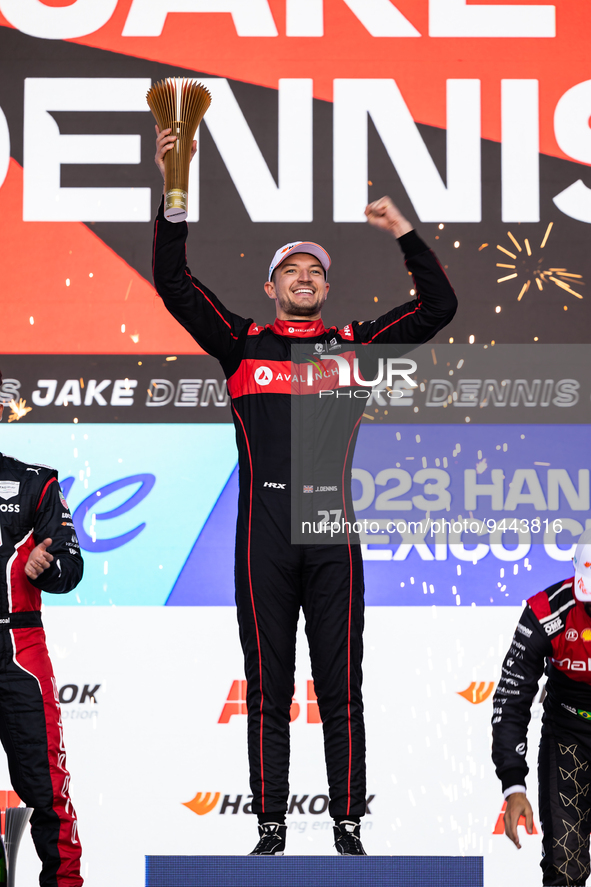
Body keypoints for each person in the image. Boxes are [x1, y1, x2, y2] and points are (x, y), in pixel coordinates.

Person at [153, 125, 457, 855]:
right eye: (290, 270)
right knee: (266, 691)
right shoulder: (240, 342)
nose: (303, 277)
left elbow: (438, 307)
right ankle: (269, 827)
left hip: (331, 537)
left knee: (339, 688)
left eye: (313, 272)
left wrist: (403, 232)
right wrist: (172, 190)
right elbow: (172, 283)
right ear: (270, 287)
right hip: (261, 537)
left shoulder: (351, 348)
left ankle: (347, 826)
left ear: (324, 287)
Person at [0, 376, 84, 886]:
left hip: (18, 649)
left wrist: (44, 568)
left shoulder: (34, 482)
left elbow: (71, 568)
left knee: (44, 785)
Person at [492, 528, 591, 886]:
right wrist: (513, 785)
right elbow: (511, 697)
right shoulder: (546, 612)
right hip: (569, 737)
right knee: (565, 868)